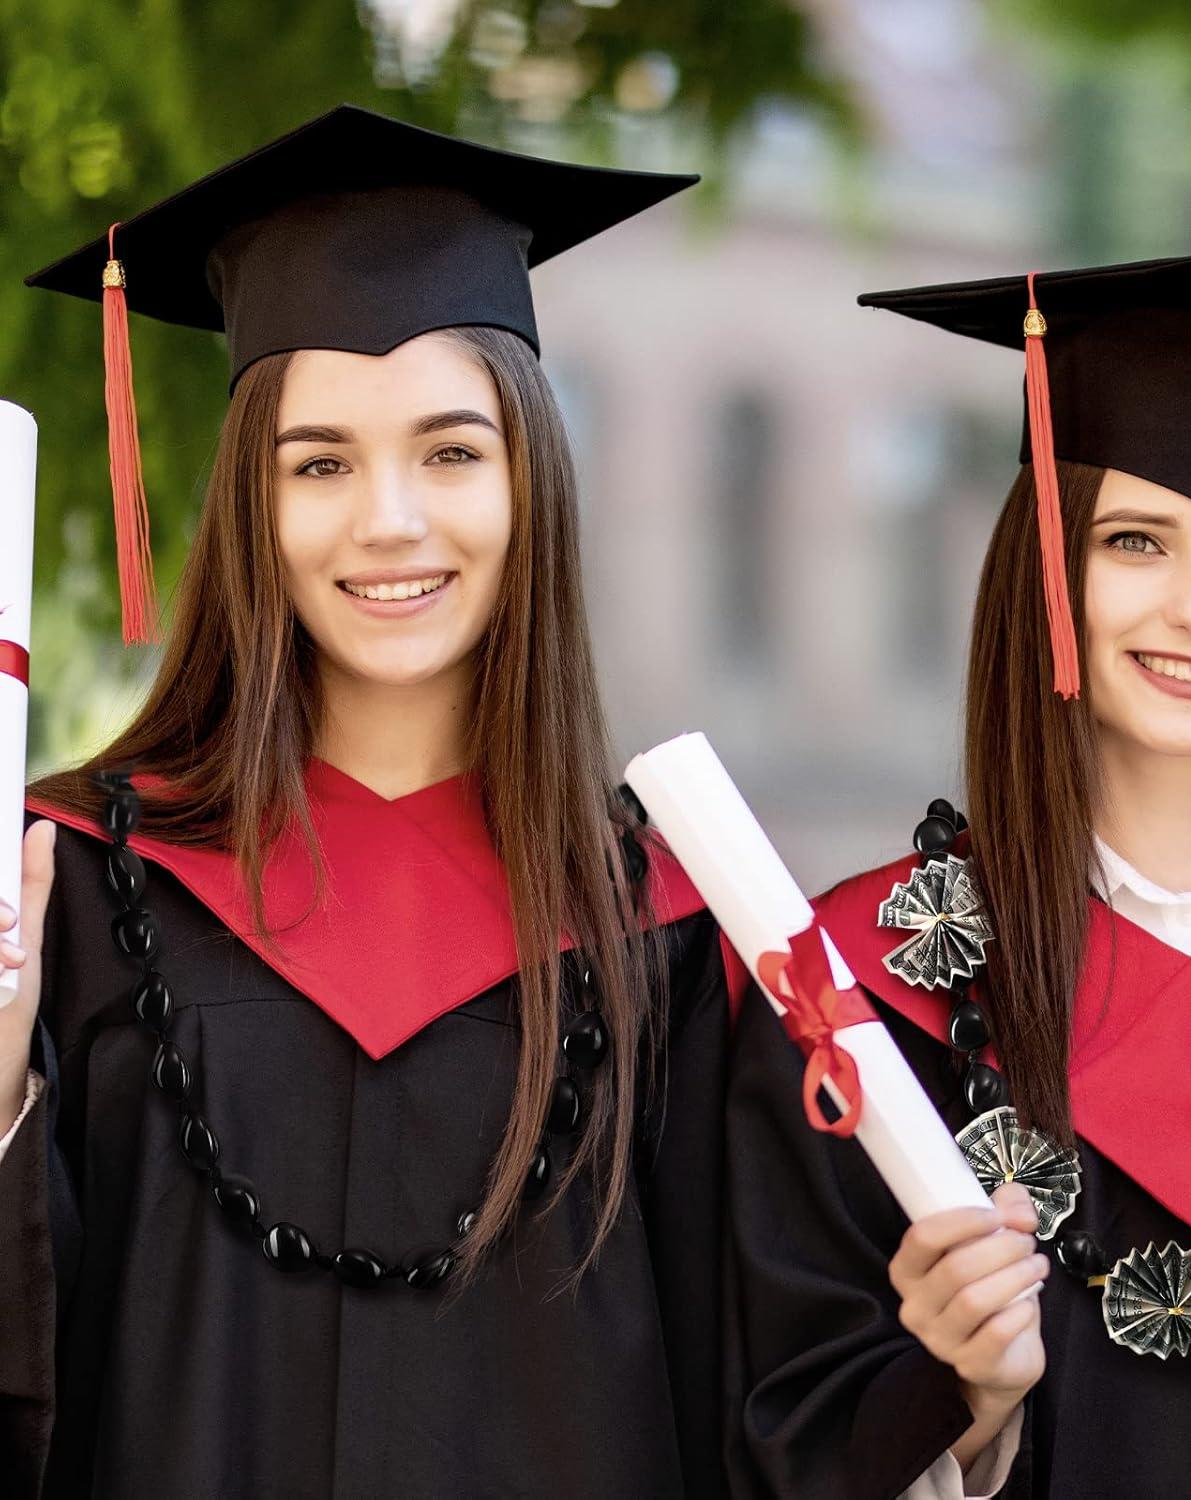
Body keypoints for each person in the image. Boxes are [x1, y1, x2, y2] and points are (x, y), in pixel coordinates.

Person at [0, 105, 730, 1498]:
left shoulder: (673, 933)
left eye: (452, 452)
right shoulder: (74, 887)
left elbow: (761, 1404)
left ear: (532, 482)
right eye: (320, 461)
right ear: (250, 504)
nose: (388, 519)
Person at [726, 255, 1191, 1498]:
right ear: (1047, 569)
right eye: (1136, 539)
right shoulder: (858, 1005)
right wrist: (962, 1406)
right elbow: (774, 1437)